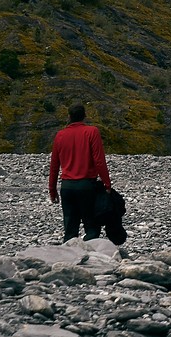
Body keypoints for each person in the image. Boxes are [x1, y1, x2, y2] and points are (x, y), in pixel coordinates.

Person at [48, 102, 112, 240]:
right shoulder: (92, 131)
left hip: (67, 187)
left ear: (69, 116)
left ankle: (69, 258)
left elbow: (54, 165)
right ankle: (90, 257)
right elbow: (99, 160)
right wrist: (107, 183)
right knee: (92, 228)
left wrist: (52, 190)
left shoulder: (60, 135)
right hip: (86, 186)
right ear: (85, 116)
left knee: (70, 231)